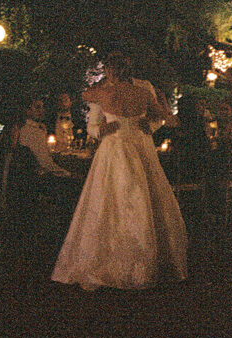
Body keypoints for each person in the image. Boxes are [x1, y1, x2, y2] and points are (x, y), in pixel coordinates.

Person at [52, 51, 187, 291]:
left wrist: (104, 125)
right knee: (140, 197)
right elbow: (161, 116)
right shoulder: (143, 93)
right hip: (136, 142)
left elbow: (89, 110)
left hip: (116, 145)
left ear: (111, 71)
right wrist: (150, 122)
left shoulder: (103, 92)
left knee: (111, 198)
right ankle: (146, 258)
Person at [17, 98, 73, 178]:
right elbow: (45, 163)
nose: (42, 110)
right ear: (27, 110)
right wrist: (68, 174)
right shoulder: (32, 131)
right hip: (41, 178)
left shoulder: (38, 128)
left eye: (43, 107)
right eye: (37, 107)